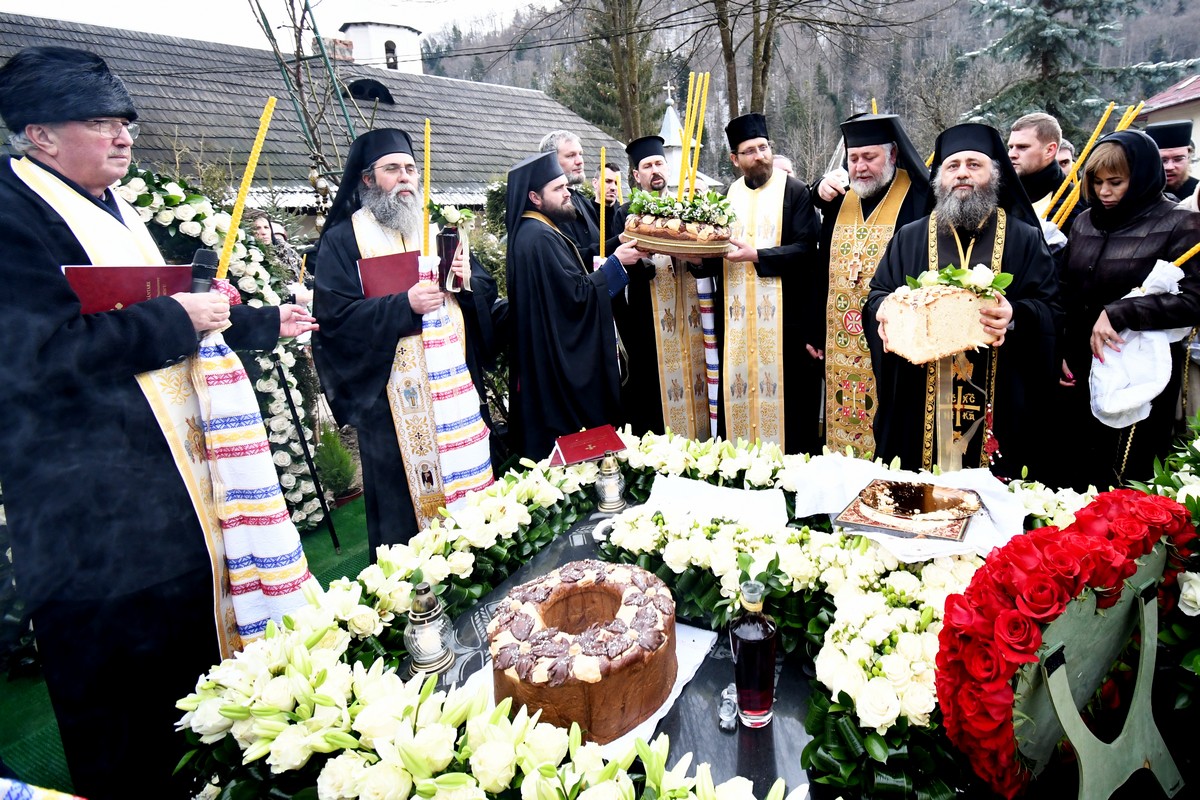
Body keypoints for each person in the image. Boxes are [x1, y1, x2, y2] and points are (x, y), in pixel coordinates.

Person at [0, 46, 317, 800]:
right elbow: (36, 357)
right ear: (39, 135)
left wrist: (259, 321)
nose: (123, 137)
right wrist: (175, 318)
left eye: (126, 123)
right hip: (91, 527)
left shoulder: (117, 208)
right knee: (129, 710)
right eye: (100, 122)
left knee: (191, 670)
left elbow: (163, 309)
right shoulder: (12, 220)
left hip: (168, 502)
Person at [311, 128, 500, 557]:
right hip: (392, 406)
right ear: (366, 180)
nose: (404, 178)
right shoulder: (343, 240)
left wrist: (469, 283)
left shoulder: (440, 232)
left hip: (452, 388)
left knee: (467, 489)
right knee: (406, 515)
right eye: (391, 169)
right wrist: (403, 305)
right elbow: (334, 320)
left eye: (410, 169)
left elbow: (483, 288)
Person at [867, 122, 1060, 480]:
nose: (962, 174)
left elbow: (1050, 308)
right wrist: (887, 309)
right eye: (953, 166)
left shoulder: (1024, 239)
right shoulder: (909, 238)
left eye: (974, 164)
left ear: (994, 174)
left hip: (999, 397)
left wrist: (1014, 315)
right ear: (940, 178)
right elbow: (877, 295)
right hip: (917, 394)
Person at [1056, 129, 1200, 491]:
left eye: (1116, 183)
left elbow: (1195, 301)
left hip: (1139, 369)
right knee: (1075, 473)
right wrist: (1059, 347)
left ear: (1142, 177)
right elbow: (1064, 290)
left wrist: (1123, 312)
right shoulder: (1085, 222)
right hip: (1080, 365)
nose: (1105, 193)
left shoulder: (1179, 223)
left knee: (1125, 479)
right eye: (1098, 182)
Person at [504, 151, 644, 460]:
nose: (568, 192)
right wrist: (617, 265)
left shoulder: (536, 230)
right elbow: (575, 298)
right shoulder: (538, 237)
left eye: (566, 186)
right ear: (534, 197)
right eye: (558, 188)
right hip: (555, 364)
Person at [702, 113, 822, 454]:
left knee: (790, 411)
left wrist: (758, 255)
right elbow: (716, 250)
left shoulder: (795, 191)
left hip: (786, 324)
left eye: (764, 147)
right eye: (750, 151)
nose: (760, 156)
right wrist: (698, 259)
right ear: (734, 159)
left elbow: (806, 250)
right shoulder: (726, 196)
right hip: (737, 324)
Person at [812, 114, 931, 456]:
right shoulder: (840, 198)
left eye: (870, 157)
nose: (861, 167)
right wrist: (814, 330)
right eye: (854, 159)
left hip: (889, 341)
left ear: (893, 155)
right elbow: (820, 266)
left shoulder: (919, 197)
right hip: (839, 340)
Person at [612, 134, 717, 440]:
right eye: (647, 166)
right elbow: (622, 262)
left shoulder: (688, 207)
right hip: (649, 314)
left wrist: (695, 258)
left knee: (696, 374)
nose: (654, 170)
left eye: (659, 163)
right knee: (654, 386)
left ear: (668, 169)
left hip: (692, 308)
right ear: (636, 175)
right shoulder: (627, 213)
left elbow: (709, 259)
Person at [1007, 112, 1078, 236]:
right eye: (1010, 147)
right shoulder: (998, 196)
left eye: (1022, 147)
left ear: (1049, 150)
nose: (1012, 154)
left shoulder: (1074, 201)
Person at [539, 129, 602, 265]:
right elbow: (574, 258)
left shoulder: (585, 202)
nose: (580, 161)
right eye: (570, 155)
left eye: (580, 154)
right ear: (551, 161)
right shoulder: (550, 207)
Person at [1145, 119, 1199, 203]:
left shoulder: (1198, 193)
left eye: (1178, 159)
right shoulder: (1139, 193)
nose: (1170, 167)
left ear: (1188, 157)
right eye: (1163, 160)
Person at [592, 160, 622, 246]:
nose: (613, 187)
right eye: (608, 181)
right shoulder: (585, 212)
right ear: (595, 183)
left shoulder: (624, 212)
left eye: (617, 183)